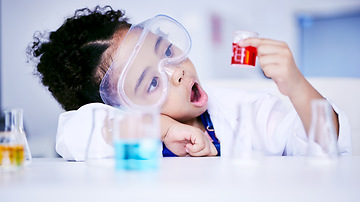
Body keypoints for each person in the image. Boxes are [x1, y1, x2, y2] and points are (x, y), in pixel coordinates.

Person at [28, 6, 351, 160]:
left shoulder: (247, 111)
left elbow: (326, 145)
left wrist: (294, 84)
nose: (176, 71)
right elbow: (75, 134)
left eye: (168, 51)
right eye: (151, 84)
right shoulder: (107, 133)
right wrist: (163, 129)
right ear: (116, 107)